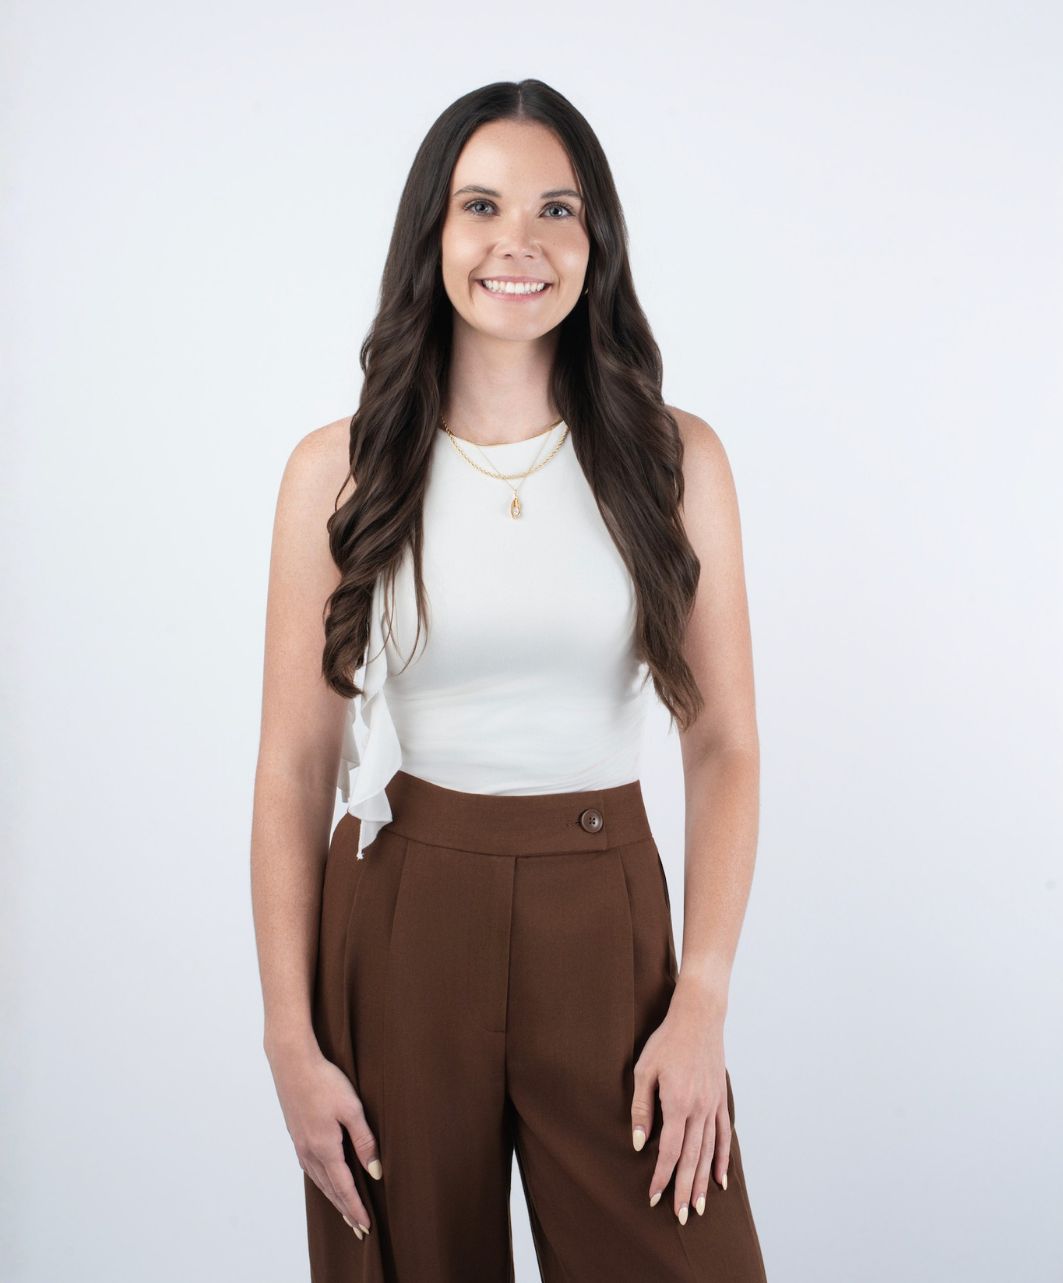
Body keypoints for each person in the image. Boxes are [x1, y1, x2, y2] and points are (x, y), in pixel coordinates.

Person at [250, 78, 768, 1283]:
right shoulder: (337, 468)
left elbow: (724, 741)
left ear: (599, 241)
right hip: (400, 917)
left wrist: (700, 999)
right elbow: (293, 764)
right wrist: (289, 1032)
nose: (518, 243)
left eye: (558, 210)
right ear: (433, 232)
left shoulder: (671, 457)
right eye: (481, 205)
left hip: (608, 919)